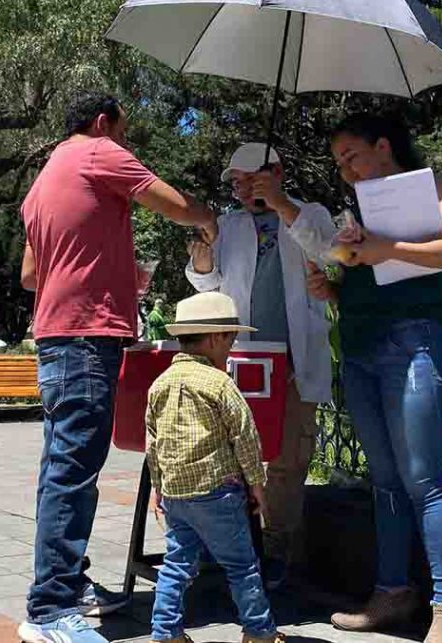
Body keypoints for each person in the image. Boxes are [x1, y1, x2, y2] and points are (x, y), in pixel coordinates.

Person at [18, 91, 218, 643]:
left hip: (57, 334)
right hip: (86, 336)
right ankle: (50, 609)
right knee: (73, 471)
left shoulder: (42, 182)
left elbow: (32, 275)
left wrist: (120, 275)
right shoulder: (97, 151)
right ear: (103, 122)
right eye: (124, 133)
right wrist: (207, 219)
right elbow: (172, 204)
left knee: (61, 466)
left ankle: (70, 584)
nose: (126, 145)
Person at [307, 113, 442, 643]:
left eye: (351, 155)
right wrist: (333, 287)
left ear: (383, 146)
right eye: (338, 162)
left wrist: (389, 249)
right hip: (360, 349)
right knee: (383, 480)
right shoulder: (359, 209)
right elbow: (370, 277)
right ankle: (391, 593)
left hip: (416, 341)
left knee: (423, 478)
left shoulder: (432, 187)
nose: (345, 169)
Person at [185, 142, 334, 588]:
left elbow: (327, 252)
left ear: (277, 172)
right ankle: (226, 549)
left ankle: (279, 553)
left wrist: (282, 205)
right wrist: (203, 253)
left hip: (292, 362)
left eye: (252, 178)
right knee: (228, 457)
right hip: (238, 363)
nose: (242, 187)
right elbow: (206, 285)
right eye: (236, 180)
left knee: (287, 460)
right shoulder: (227, 225)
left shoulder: (311, 214)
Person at [146, 291, 286, 643]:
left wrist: (158, 488)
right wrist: (257, 485)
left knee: (176, 565)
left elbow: (153, 442)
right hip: (217, 493)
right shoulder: (220, 383)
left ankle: (165, 634)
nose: (231, 347)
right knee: (242, 566)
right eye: (231, 339)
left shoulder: (159, 384)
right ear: (214, 338)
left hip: (176, 495)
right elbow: (245, 436)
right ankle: (259, 632)